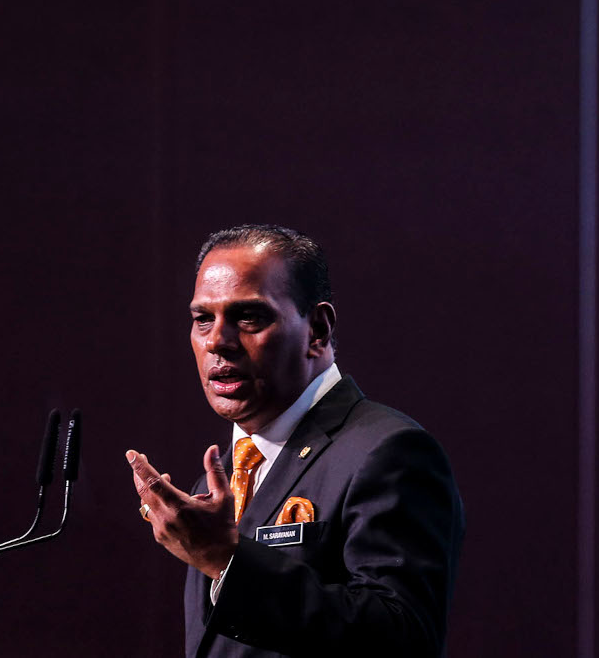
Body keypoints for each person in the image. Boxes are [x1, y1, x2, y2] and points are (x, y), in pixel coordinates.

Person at [125, 224, 464, 657]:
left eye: (248, 316)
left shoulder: (388, 453)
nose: (217, 342)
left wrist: (225, 560)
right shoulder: (219, 480)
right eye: (203, 318)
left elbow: (403, 639)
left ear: (318, 330)